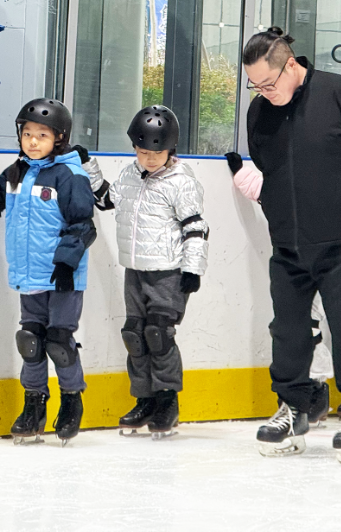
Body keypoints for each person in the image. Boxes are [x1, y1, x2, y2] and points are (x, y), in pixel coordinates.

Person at [243, 27, 341, 464]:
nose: (264, 93)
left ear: (291, 65)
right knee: (288, 329)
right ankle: (293, 408)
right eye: (255, 86)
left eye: (269, 83)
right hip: (288, 242)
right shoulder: (260, 112)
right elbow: (267, 164)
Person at [0, 98, 99, 444]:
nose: (33, 141)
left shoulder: (70, 175)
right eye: (27, 134)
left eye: (42, 135)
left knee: (59, 341)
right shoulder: (17, 172)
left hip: (62, 276)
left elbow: (83, 224)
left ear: (60, 138)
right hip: (29, 273)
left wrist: (66, 262)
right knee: (31, 340)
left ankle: (71, 400)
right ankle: (33, 404)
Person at [90, 106, 209, 440]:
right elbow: (105, 200)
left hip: (168, 272)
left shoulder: (182, 182)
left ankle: (167, 401)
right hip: (135, 269)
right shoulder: (130, 175)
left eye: (157, 153)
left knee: (158, 334)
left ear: (171, 149)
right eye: (143, 152)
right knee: (135, 335)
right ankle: (144, 399)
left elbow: (196, 227)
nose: (150, 159)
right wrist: (88, 166)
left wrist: (192, 268)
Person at [224, 151, 333, 425]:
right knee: (287, 328)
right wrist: (240, 171)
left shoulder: (324, 190)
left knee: (309, 326)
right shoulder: (282, 187)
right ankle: (297, 391)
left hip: (321, 265)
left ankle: (317, 388)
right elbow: (260, 189)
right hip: (291, 267)